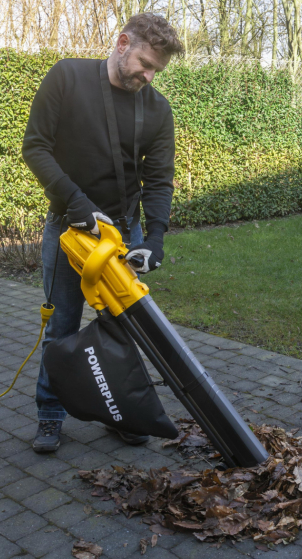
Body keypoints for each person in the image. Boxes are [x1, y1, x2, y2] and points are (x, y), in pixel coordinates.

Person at [22, 13, 184, 453]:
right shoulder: (67, 77)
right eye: (145, 64)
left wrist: (154, 239)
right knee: (61, 327)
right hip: (68, 229)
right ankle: (50, 415)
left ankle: (121, 415)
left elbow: (159, 180)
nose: (148, 77)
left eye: (156, 71)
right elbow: (35, 147)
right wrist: (77, 205)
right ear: (122, 43)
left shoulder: (158, 109)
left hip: (123, 235)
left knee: (121, 331)